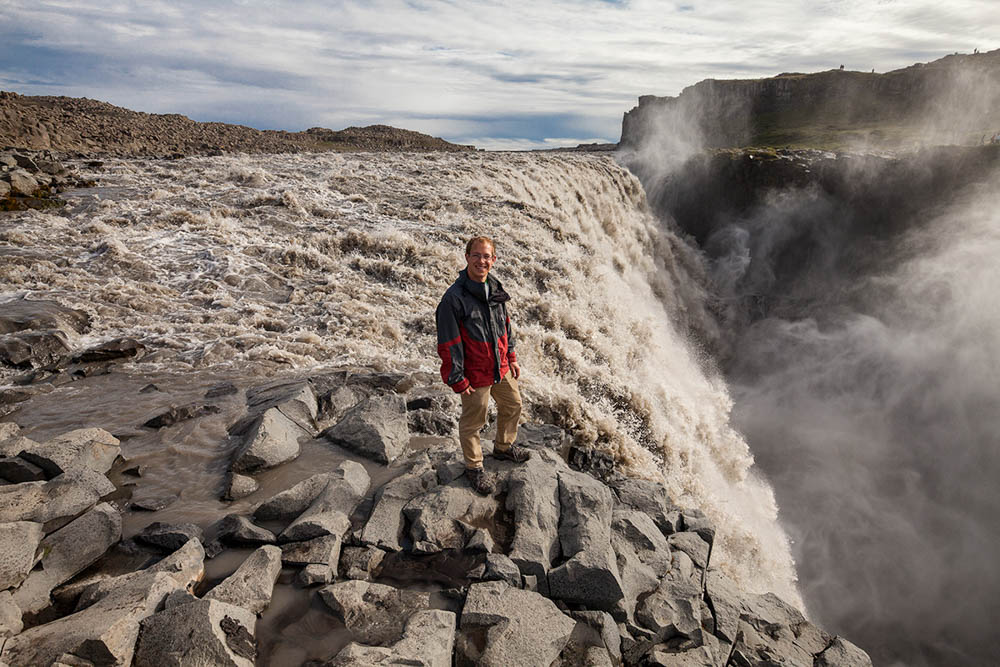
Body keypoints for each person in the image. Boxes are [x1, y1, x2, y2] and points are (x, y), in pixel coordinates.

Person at [436, 235, 531, 495]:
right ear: (467, 257)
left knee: (513, 404)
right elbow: (449, 342)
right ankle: (474, 467)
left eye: (486, 256)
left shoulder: (495, 287)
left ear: (493, 260)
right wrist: (457, 377)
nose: (481, 260)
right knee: (473, 422)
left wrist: (511, 356)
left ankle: (503, 447)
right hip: (475, 373)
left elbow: (505, 326)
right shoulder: (453, 299)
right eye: (476, 255)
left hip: (499, 366)